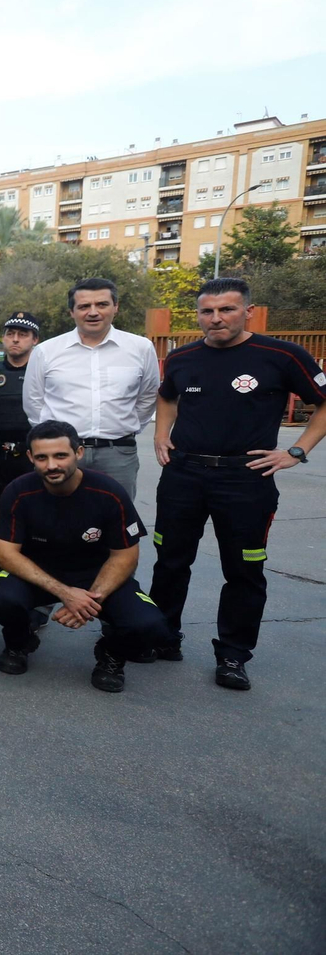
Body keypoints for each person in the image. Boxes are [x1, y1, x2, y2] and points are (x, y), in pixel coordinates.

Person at [149, 277, 326, 690]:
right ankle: (161, 637)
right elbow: (167, 396)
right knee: (170, 561)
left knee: (244, 570)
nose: (216, 318)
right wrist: (161, 434)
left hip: (246, 478)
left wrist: (296, 451)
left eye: (226, 309)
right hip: (184, 475)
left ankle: (232, 654)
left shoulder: (281, 355)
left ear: (247, 311)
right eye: (207, 311)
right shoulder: (182, 357)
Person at [0, 420, 169, 693]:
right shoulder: (18, 491)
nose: (51, 465)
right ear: (30, 458)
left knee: (150, 625)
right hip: (38, 574)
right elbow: (4, 555)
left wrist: (89, 601)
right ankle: (18, 643)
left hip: (95, 577)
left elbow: (125, 556)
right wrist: (66, 594)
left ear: (79, 453)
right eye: (42, 457)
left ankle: (111, 655)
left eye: (61, 455)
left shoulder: (109, 492)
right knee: (0, 596)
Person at [22, 277, 159, 502]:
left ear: (116, 307)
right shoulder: (46, 351)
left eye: (102, 305)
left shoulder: (141, 348)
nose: (93, 312)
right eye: (84, 306)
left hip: (118, 454)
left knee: (117, 519)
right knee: (59, 517)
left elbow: (147, 398)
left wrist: (123, 427)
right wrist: (55, 442)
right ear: (71, 312)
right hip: (62, 453)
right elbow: (34, 403)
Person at [0, 311, 40, 571]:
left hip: (32, 458)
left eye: (23, 335)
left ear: (35, 339)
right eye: (10, 334)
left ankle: (31, 569)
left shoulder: (41, 371)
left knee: (34, 514)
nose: (15, 340)